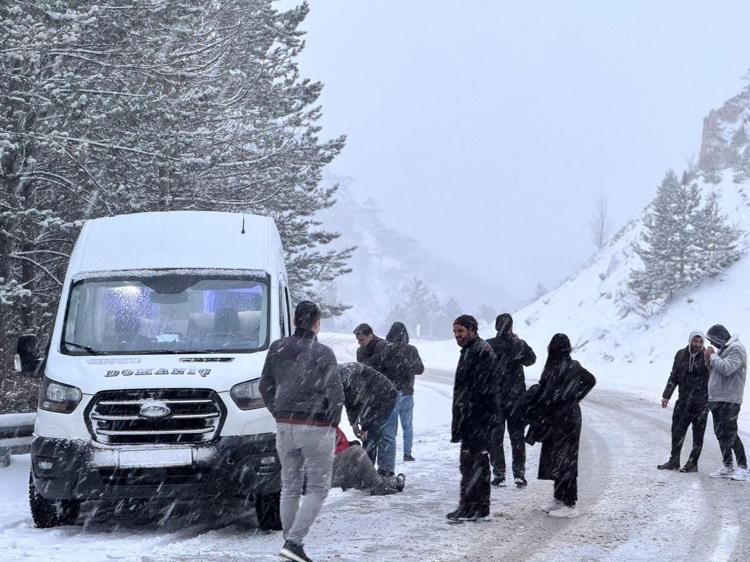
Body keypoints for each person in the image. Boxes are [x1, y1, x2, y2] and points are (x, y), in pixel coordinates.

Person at [259, 301, 344, 562]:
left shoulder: (277, 348)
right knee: (318, 488)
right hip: (316, 426)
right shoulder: (324, 353)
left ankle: (289, 542)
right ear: (317, 324)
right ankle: (294, 543)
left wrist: (278, 412)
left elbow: (264, 386)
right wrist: (333, 421)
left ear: (295, 321)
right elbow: (336, 393)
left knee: (290, 486)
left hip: (285, 426)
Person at [530, 333, 596, 518]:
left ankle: (570, 504)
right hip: (555, 417)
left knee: (567, 460)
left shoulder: (571, 366)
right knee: (555, 458)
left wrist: (574, 397)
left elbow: (590, 380)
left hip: (568, 418)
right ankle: (559, 498)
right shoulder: (553, 367)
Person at [446, 315, 498, 523]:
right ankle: (469, 506)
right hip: (470, 417)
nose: (457, 335)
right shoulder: (469, 350)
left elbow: (482, 390)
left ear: (472, 330)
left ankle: (476, 508)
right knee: (469, 463)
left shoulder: (481, 351)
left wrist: (471, 414)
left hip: (478, 418)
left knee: (475, 463)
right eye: (455, 331)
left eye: (460, 331)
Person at [486, 313, 536, 488]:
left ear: (496, 326)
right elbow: (531, 360)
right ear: (511, 327)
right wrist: (518, 343)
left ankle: (499, 475)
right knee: (517, 438)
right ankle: (519, 475)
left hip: (495, 399)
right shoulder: (519, 344)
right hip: (516, 400)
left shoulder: (488, 345)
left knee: (495, 438)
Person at [657, 331, 710, 472]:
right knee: (677, 431)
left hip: (701, 403)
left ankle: (692, 463)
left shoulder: (707, 356)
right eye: (695, 341)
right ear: (690, 340)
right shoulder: (680, 354)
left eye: (700, 342)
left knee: (698, 435)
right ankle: (674, 461)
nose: (697, 344)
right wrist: (666, 395)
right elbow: (674, 375)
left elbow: (714, 379)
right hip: (683, 401)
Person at [337, 362, 398, 476]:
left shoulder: (348, 377)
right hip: (371, 398)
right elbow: (350, 401)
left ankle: (382, 472)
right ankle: (368, 472)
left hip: (385, 397)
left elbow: (361, 402)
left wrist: (365, 428)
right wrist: (353, 422)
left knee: (372, 436)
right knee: (369, 438)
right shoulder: (338, 377)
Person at [703, 324, 748, 481]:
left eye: (712, 340)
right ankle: (727, 465)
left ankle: (743, 467)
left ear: (720, 338)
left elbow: (727, 368)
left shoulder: (737, 349)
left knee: (730, 433)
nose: (711, 343)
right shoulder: (723, 349)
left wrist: (712, 356)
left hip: (729, 399)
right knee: (720, 433)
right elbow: (716, 371)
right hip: (717, 398)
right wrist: (708, 360)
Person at [381, 322, 425, 462]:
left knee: (390, 428)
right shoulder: (411, 350)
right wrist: (408, 365)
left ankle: (390, 455)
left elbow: (381, 370)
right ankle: (407, 454)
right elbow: (420, 369)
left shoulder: (385, 349)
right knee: (407, 425)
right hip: (407, 392)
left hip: (390, 393)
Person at [333, 427, 406, 495]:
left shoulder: (331, 425)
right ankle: (377, 486)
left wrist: (349, 444)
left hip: (339, 472)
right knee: (356, 451)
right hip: (330, 475)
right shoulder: (327, 428)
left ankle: (390, 482)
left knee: (363, 475)